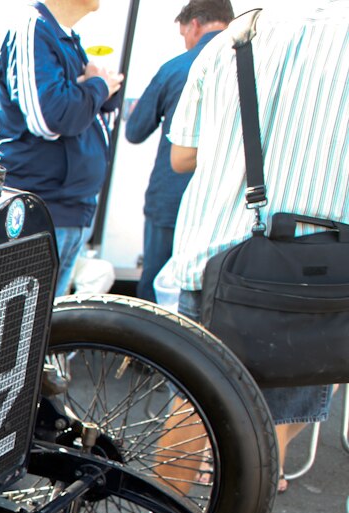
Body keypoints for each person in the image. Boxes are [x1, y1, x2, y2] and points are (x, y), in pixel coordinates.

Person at [166, 0, 349, 513]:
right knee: (285, 410)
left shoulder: (231, 39)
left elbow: (181, 155)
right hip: (319, 267)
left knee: (195, 400)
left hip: (219, 252)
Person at [0, 1, 124, 297]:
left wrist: (96, 89)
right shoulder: (33, 30)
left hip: (71, 208)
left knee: (49, 323)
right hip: (41, 208)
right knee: (27, 326)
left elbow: (82, 109)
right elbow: (50, 118)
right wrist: (98, 86)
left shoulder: (65, 37)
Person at [123, 0, 233, 302]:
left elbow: (134, 131)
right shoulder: (254, 68)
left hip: (171, 199)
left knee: (154, 289)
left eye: (184, 33)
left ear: (195, 24)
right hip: (226, 206)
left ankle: (142, 350)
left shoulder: (176, 69)